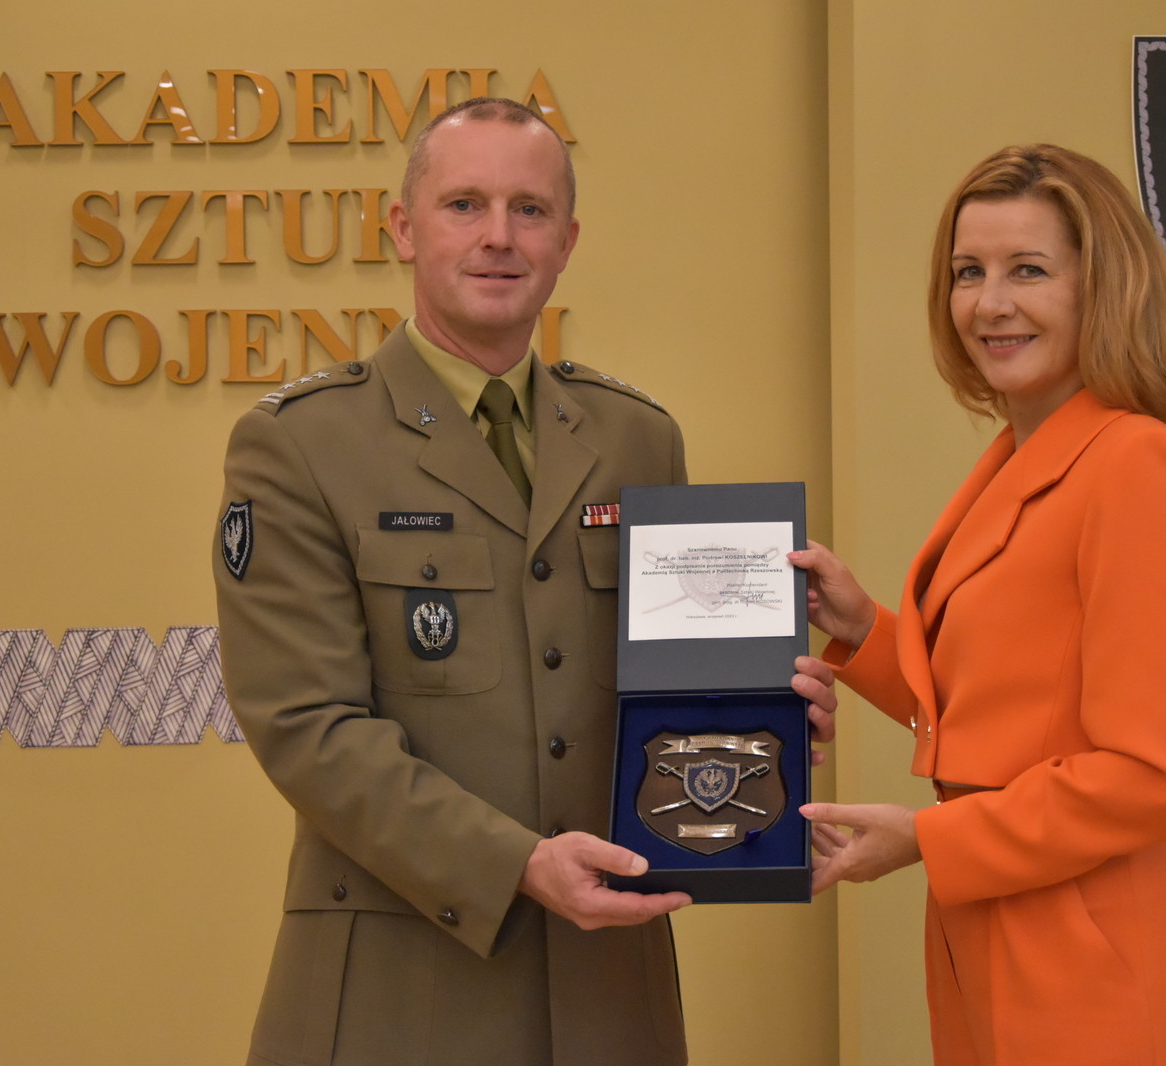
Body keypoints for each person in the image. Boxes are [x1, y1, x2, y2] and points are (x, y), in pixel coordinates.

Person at [213, 97, 838, 1066]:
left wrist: (763, 723)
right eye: (465, 204)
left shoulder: (636, 437)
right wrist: (517, 864)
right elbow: (308, 728)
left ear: (567, 241)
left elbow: (674, 696)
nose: (498, 236)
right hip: (401, 988)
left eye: (530, 210)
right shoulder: (302, 444)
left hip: (608, 991)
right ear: (404, 228)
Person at [791, 144, 1166, 1065]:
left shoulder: (1138, 466)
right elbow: (1003, 712)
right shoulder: (1023, 456)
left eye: (1027, 270)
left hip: (1097, 960)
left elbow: (1159, 774)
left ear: (1102, 289)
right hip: (996, 939)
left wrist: (931, 837)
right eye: (968, 272)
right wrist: (864, 629)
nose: (989, 303)